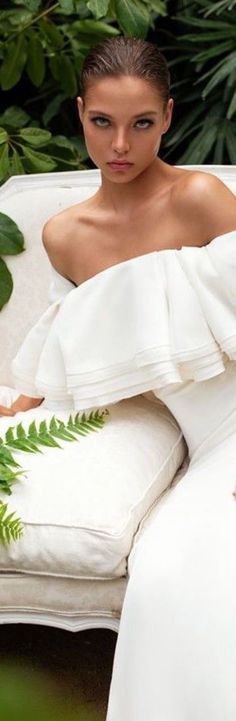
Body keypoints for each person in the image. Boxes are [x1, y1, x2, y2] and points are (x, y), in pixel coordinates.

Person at [1, 35, 236, 720]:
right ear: (80, 114)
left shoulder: (200, 198)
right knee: (164, 569)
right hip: (204, 445)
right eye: (103, 122)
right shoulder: (65, 235)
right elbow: (67, 345)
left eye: (141, 123)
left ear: (167, 117)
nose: (121, 145)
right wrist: (19, 413)